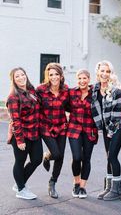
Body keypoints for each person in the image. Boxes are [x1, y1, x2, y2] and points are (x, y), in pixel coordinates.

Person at [6, 67, 43, 200]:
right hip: (22, 135)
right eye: (17, 76)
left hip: (35, 133)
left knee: (37, 159)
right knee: (20, 162)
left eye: (23, 74)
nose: (21, 77)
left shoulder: (31, 91)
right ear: (13, 80)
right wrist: (20, 140)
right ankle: (21, 189)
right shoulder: (13, 97)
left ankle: (19, 183)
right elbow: (15, 119)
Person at [91, 60, 121, 201]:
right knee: (108, 156)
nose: (104, 74)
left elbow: (118, 113)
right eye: (102, 71)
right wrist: (103, 129)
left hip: (117, 126)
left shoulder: (116, 90)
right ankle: (108, 187)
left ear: (111, 73)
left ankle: (116, 190)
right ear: (98, 72)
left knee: (112, 156)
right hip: (105, 127)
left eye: (108, 71)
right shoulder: (94, 89)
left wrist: (110, 130)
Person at [36, 63, 69, 199]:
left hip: (61, 126)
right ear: (47, 76)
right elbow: (33, 106)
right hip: (45, 127)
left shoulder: (66, 90)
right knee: (55, 153)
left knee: (60, 157)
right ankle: (47, 155)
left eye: (56, 74)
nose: (54, 77)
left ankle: (52, 182)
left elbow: (73, 103)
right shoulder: (40, 90)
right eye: (51, 75)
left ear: (61, 76)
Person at [67, 69, 98, 199]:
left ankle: (83, 187)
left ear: (89, 79)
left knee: (86, 158)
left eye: (84, 78)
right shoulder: (71, 92)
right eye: (79, 78)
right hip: (74, 129)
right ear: (77, 80)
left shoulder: (95, 94)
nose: (82, 81)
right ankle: (76, 182)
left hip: (89, 130)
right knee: (77, 157)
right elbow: (63, 106)